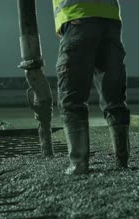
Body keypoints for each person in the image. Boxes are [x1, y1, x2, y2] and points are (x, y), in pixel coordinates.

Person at [53, 0, 130, 175]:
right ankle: (122, 161)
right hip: (110, 21)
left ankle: (78, 164)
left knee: (72, 96)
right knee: (114, 94)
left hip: (78, 16)